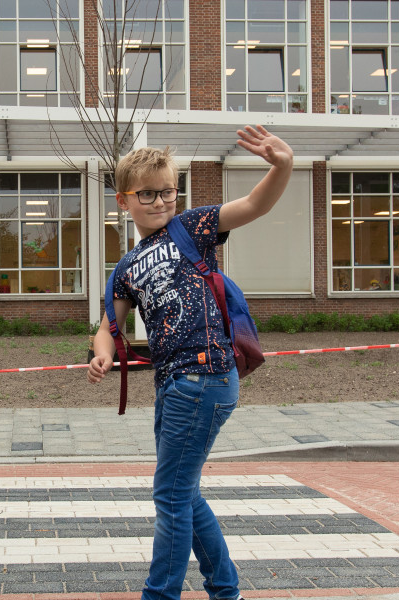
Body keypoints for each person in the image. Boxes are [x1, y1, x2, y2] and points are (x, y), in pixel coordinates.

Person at [87, 126, 295, 600]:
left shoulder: (195, 228)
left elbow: (254, 205)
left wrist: (281, 166)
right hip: (172, 385)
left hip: (205, 376)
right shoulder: (125, 268)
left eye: (167, 192)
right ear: (123, 200)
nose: (160, 202)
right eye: (148, 194)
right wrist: (102, 355)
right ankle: (225, 589)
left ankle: (161, 595)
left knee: (171, 496)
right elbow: (107, 326)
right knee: (184, 491)